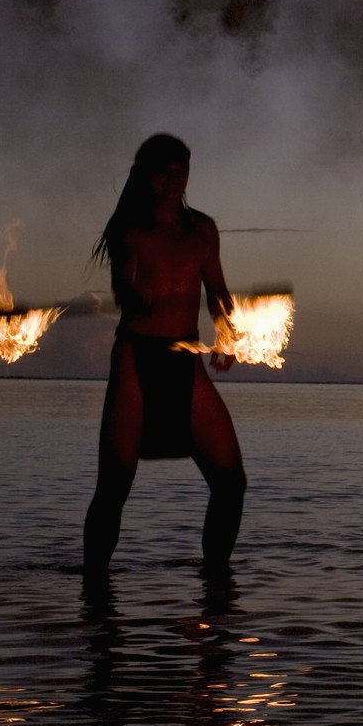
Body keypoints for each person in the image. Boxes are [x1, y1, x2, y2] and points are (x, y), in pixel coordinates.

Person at [82, 134, 247, 576]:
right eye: (164, 172)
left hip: (185, 362)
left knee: (231, 483)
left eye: (182, 171)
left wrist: (228, 329)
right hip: (137, 359)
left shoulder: (202, 231)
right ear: (146, 174)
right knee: (114, 486)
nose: (174, 180)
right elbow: (122, 287)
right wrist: (137, 299)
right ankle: (94, 590)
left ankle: (216, 581)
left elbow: (217, 291)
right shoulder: (130, 230)